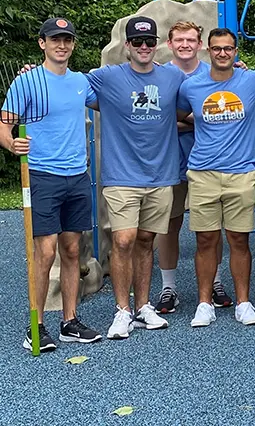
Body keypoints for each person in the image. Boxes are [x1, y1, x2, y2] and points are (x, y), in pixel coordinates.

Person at [0, 18, 103, 352]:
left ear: (73, 44)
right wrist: (11, 144)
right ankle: (37, 325)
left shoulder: (81, 82)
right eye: (55, 40)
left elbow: (115, 96)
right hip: (42, 175)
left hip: (77, 176)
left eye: (67, 40)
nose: (62, 45)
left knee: (73, 250)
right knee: (44, 252)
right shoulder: (27, 82)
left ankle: (69, 322)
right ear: (42, 43)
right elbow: (4, 124)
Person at [87, 17, 186, 339]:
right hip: (121, 175)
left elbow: (198, 100)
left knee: (146, 241)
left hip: (161, 174)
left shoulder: (172, 77)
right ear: (127, 46)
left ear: (156, 45)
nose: (144, 47)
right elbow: (65, 85)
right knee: (124, 240)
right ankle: (122, 311)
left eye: (149, 42)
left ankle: (143, 306)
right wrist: (34, 73)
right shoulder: (106, 77)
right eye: (137, 42)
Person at [176, 28, 255, 328]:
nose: (222, 53)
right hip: (203, 171)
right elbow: (181, 114)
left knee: (239, 240)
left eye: (228, 48)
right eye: (217, 49)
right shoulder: (191, 87)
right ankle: (204, 303)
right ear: (208, 51)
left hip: (241, 172)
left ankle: (243, 302)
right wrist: (199, 121)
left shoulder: (253, 80)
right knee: (205, 240)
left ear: (235, 52)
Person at [155, 21, 231, 314]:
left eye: (191, 39)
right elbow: (159, 120)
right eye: (179, 40)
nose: (185, 44)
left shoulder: (214, 72)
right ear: (170, 43)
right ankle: (168, 287)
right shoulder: (161, 74)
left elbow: (224, 114)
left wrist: (191, 121)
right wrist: (197, 120)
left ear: (200, 44)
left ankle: (216, 282)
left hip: (208, 160)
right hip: (169, 159)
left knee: (213, 226)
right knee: (169, 224)